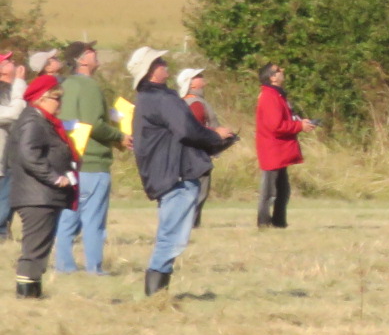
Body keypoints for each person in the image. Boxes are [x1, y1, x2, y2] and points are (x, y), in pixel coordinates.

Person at [129, 50, 237, 296]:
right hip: (175, 175)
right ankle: (155, 295)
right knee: (172, 237)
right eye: (159, 62)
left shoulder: (148, 98)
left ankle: (158, 293)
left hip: (166, 173)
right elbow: (188, 130)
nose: (165, 64)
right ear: (150, 71)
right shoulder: (162, 99)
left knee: (172, 234)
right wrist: (216, 136)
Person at [53, 44, 122, 276]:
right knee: (94, 221)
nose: (96, 54)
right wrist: (120, 136)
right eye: (92, 52)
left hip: (70, 162)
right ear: (82, 60)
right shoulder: (89, 86)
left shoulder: (64, 85)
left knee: (68, 217)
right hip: (93, 162)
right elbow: (95, 124)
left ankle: (64, 266)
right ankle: (94, 268)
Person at [7, 73, 78, 298]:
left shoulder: (38, 120)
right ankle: (27, 296)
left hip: (40, 195)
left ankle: (33, 293)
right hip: (37, 196)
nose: (60, 104)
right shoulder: (32, 121)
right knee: (35, 248)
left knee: (39, 247)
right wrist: (55, 178)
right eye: (57, 99)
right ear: (42, 99)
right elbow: (29, 155)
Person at [255, 63, 315, 229]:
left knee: (283, 190)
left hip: (279, 149)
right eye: (279, 70)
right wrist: (299, 127)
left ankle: (279, 222)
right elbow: (275, 125)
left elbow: (285, 120)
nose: (283, 71)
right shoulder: (269, 96)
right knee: (269, 191)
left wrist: (301, 122)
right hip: (272, 149)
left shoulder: (277, 95)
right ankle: (264, 223)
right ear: (272, 77)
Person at [176, 68, 218, 226]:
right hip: (197, 154)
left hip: (189, 154)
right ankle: (190, 225)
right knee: (199, 192)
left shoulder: (186, 101)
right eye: (198, 76)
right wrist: (218, 135)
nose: (202, 78)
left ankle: (190, 224)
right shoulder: (196, 104)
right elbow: (197, 130)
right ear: (191, 83)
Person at [0, 48, 24, 240]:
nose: (13, 63)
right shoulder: (10, 90)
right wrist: (20, 83)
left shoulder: (10, 89)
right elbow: (14, 113)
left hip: (10, 157)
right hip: (2, 159)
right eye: (7, 62)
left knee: (8, 201)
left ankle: (4, 234)